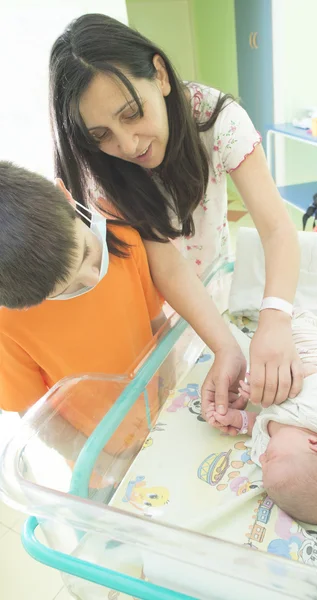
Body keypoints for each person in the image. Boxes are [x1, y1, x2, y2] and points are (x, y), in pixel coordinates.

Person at [49, 13, 303, 414]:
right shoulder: (100, 170)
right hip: (153, 309)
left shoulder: (218, 120)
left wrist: (275, 319)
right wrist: (224, 347)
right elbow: (167, 268)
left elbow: (276, 229)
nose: (129, 144)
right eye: (102, 136)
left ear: (160, 76)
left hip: (213, 279)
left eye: (132, 114)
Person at [0, 161, 244, 432]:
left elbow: (157, 329)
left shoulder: (124, 241)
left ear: (66, 196)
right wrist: (102, 463)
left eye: (85, 253)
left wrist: (167, 400)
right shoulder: (9, 324)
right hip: (98, 454)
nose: (93, 279)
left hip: (161, 415)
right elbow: (38, 418)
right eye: (67, 288)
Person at [206, 310, 317, 525]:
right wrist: (271, 384)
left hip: (295, 370)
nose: (263, 460)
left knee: (268, 349)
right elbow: (316, 375)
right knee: (293, 329)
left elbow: (260, 425)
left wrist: (235, 419)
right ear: (314, 443)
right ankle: (306, 317)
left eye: (264, 467)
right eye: (272, 459)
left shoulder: (278, 454)